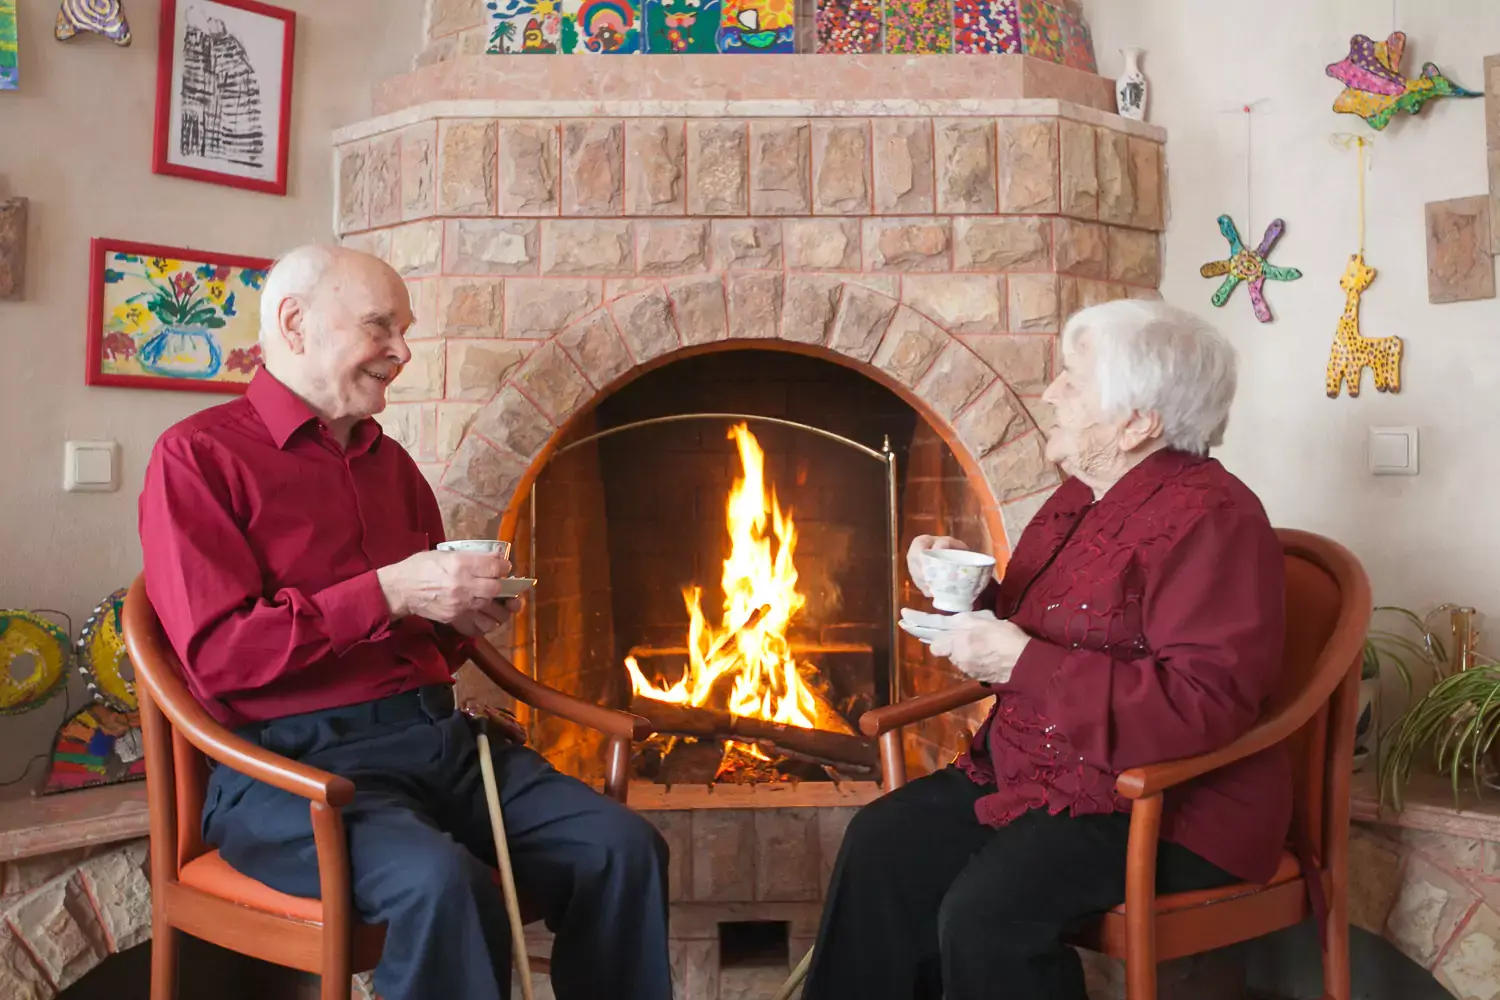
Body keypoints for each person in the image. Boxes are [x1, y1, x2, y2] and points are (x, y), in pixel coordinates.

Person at [139, 245, 672, 1000]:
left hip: (437, 745)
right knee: (441, 886)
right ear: (295, 324)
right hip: (293, 774)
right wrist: (389, 591)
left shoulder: (391, 466)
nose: (402, 350)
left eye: (404, 329)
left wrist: (462, 614)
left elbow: (422, 642)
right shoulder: (196, 458)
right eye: (379, 326)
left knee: (623, 848)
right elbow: (221, 656)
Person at [803, 299, 1290, 1000]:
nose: (1050, 393)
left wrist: (1018, 662)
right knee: (882, 844)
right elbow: (1046, 626)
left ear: (1137, 422)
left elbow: (1203, 704)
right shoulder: (1080, 496)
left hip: (1165, 802)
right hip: (1041, 770)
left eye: (1071, 378)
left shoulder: (1216, 520)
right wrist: (962, 593)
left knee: (984, 915)